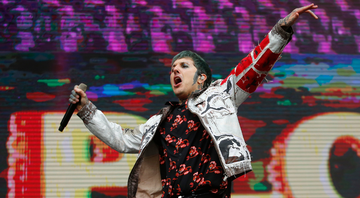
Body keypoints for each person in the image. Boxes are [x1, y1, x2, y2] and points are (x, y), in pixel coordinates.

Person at [69, 4, 318, 198]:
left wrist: (282, 29)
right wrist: (86, 110)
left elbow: (253, 68)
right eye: (172, 68)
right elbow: (122, 139)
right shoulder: (161, 120)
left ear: (201, 78)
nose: (175, 71)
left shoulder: (221, 95)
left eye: (183, 66)